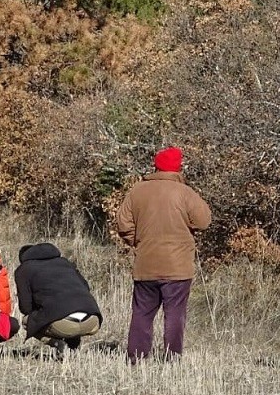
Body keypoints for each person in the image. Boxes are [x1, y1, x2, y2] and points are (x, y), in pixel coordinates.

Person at [115, 146, 212, 361]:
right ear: (178, 167)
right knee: (175, 314)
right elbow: (204, 221)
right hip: (178, 267)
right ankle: (172, 358)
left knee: (142, 313)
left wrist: (138, 242)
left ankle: (136, 358)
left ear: (155, 166)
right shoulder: (185, 192)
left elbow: (123, 224)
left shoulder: (137, 191)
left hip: (145, 264)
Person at [14, 243, 103, 355]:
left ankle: (56, 343)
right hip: (92, 321)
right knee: (66, 310)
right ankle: (72, 347)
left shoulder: (24, 269)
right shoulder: (66, 263)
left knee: (28, 321)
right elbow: (86, 287)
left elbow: (26, 308)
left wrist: (40, 308)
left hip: (65, 325)